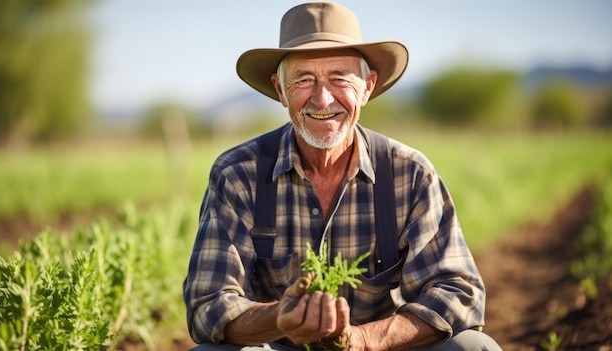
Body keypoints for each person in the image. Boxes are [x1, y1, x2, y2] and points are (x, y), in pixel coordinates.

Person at [183, 2, 502, 351]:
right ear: (280, 90)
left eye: (339, 78)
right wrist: (280, 317)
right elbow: (208, 304)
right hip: (278, 348)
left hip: (378, 348)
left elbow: (458, 292)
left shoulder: (409, 174)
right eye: (304, 79)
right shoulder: (239, 174)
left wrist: (361, 339)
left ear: (367, 86)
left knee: (475, 347)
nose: (322, 99)